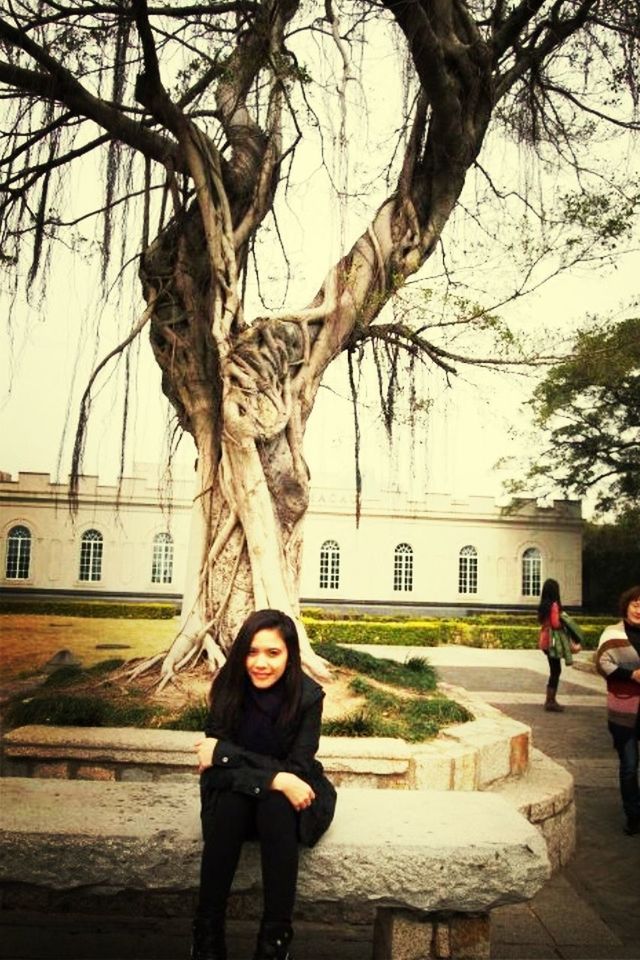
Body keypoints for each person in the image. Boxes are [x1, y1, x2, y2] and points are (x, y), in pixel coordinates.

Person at [191, 608, 336, 960]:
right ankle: (207, 937)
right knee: (232, 799)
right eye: (252, 652)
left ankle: (274, 941)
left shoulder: (307, 696)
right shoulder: (228, 687)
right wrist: (276, 777)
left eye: (273, 653)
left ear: (290, 655)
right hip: (234, 804)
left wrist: (227, 754)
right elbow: (214, 773)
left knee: (275, 802)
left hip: (288, 805)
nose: (261, 663)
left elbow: (298, 770)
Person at [595, 585, 640, 836]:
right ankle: (633, 815)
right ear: (626, 606)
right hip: (624, 708)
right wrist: (631, 674)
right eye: (635, 604)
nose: (639, 609)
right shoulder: (613, 634)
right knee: (630, 765)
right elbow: (602, 663)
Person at [537, 578, 582, 712]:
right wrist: (566, 623)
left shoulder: (543, 605)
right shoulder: (554, 605)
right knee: (556, 671)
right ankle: (550, 701)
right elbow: (556, 624)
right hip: (553, 642)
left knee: (554, 670)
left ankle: (550, 700)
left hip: (544, 640)